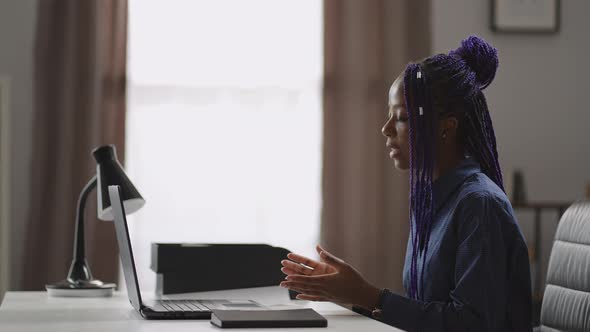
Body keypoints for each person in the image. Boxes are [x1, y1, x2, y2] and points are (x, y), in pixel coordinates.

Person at [279, 35, 532, 331]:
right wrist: (350, 294)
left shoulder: (480, 205)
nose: (386, 129)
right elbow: (430, 311)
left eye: (401, 117)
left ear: (446, 127)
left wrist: (367, 294)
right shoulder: (433, 200)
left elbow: (471, 324)